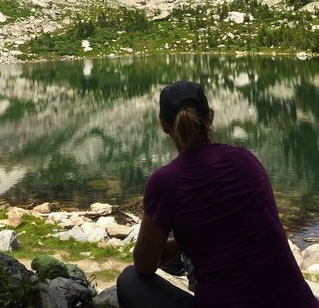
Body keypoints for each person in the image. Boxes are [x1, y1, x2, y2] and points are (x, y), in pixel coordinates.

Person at [116, 81, 319, 308]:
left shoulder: (166, 181)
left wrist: (180, 241)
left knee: (129, 280)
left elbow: (144, 265)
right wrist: (185, 241)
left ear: (164, 126)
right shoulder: (246, 160)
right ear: (210, 117)